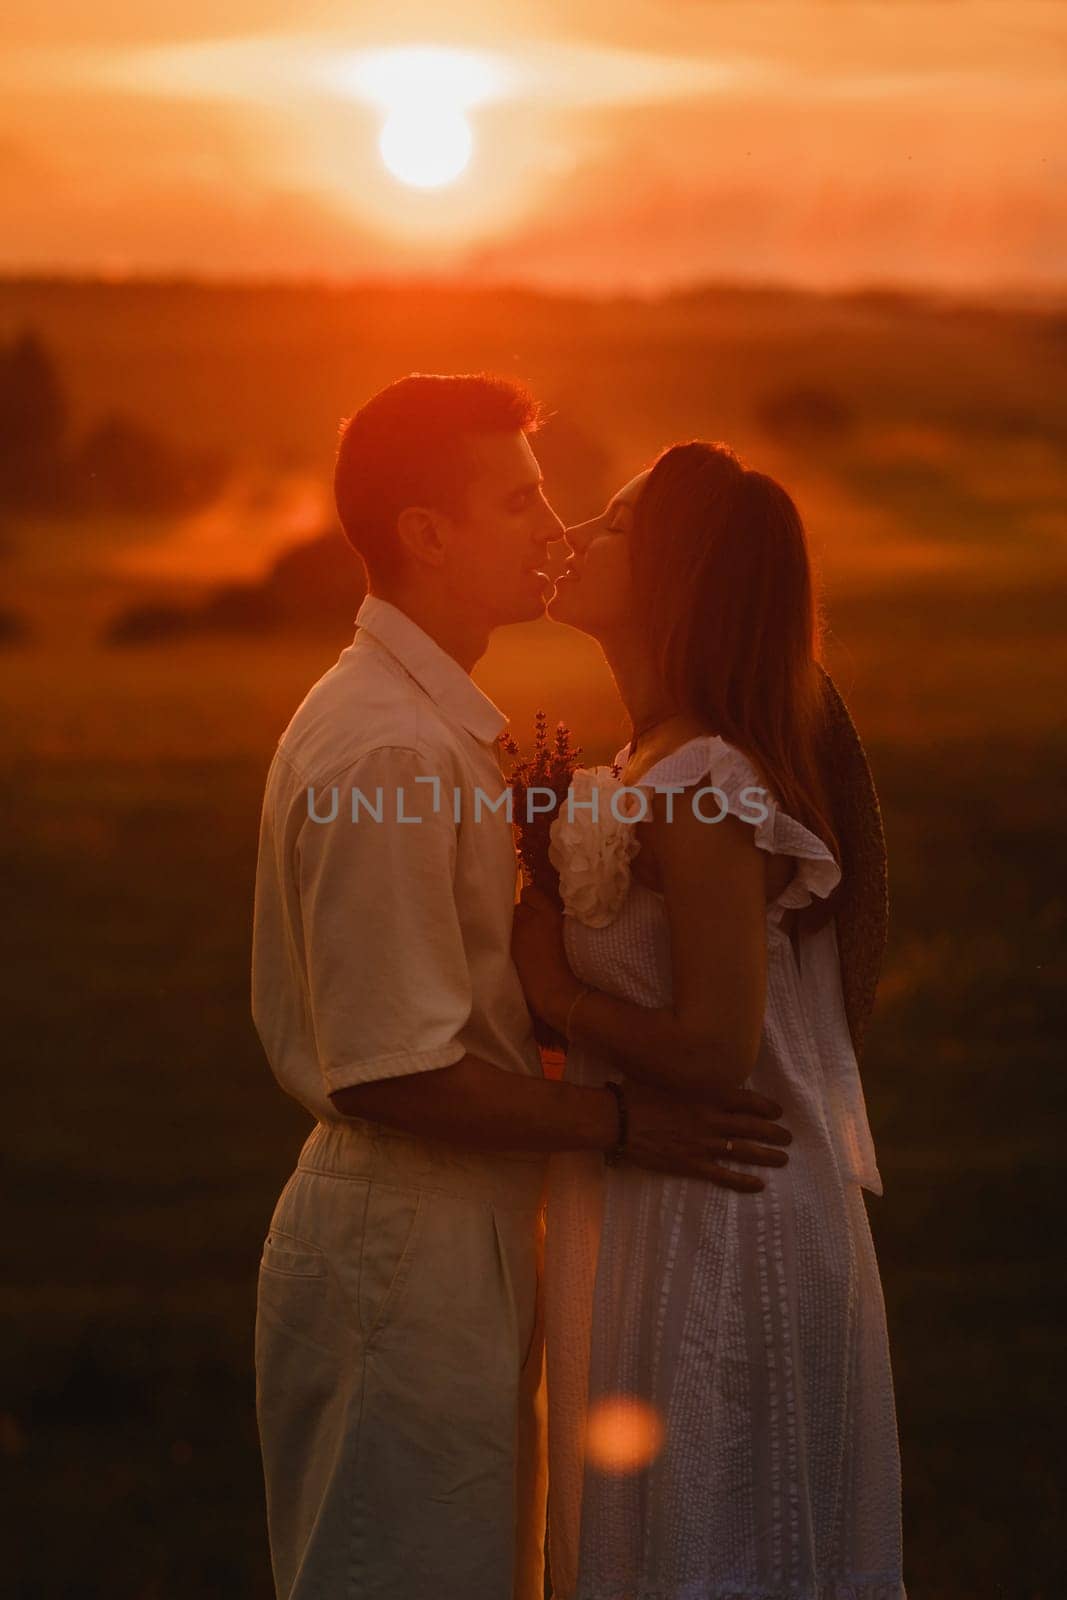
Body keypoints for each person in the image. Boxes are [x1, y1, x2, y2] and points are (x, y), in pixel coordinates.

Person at [250, 378, 793, 1600]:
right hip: (408, 1245)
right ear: (423, 534)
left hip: (455, 1235)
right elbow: (392, 1068)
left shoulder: (425, 726)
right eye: (517, 500)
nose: (552, 532)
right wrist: (620, 1123)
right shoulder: (387, 747)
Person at [511, 442, 906, 1599]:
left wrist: (556, 988)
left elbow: (717, 1044)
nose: (577, 532)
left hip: (724, 1222)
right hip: (654, 1200)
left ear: (676, 577)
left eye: (617, 524)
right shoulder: (649, 760)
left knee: (727, 1545)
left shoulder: (705, 783)